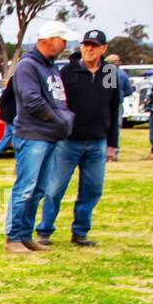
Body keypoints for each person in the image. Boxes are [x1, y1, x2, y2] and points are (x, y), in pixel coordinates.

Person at [35, 29, 119, 248]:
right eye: (85, 45)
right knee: (54, 189)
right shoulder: (68, 72)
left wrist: (112, 144)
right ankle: (44, 231)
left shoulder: (110, 73)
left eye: (94, 45)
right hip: (68, 141)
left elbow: (113, 108)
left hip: (97, 142)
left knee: (92, 189)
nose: (89, 49)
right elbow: (55, 103)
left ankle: (80, 232)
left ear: (103, 48)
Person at [3, 21, 77, 254]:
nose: (65, 45)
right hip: (33, 135)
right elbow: (32, 101)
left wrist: (64, 119)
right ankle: (13, 237)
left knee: (39, 190)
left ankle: (26, 236)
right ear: (50, 39)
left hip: (50, 137)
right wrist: (60, 120)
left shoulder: (51, 66)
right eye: (62, 40)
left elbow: (57, 98)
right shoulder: (28, 66)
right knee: (25, 188)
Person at [104, 53, 132, 155]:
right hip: (117, 105)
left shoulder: (103, 73)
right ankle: (113, 151)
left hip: (104, 104)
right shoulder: (122, 74)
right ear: (116, 63)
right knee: (116, 127)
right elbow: (129, 91)